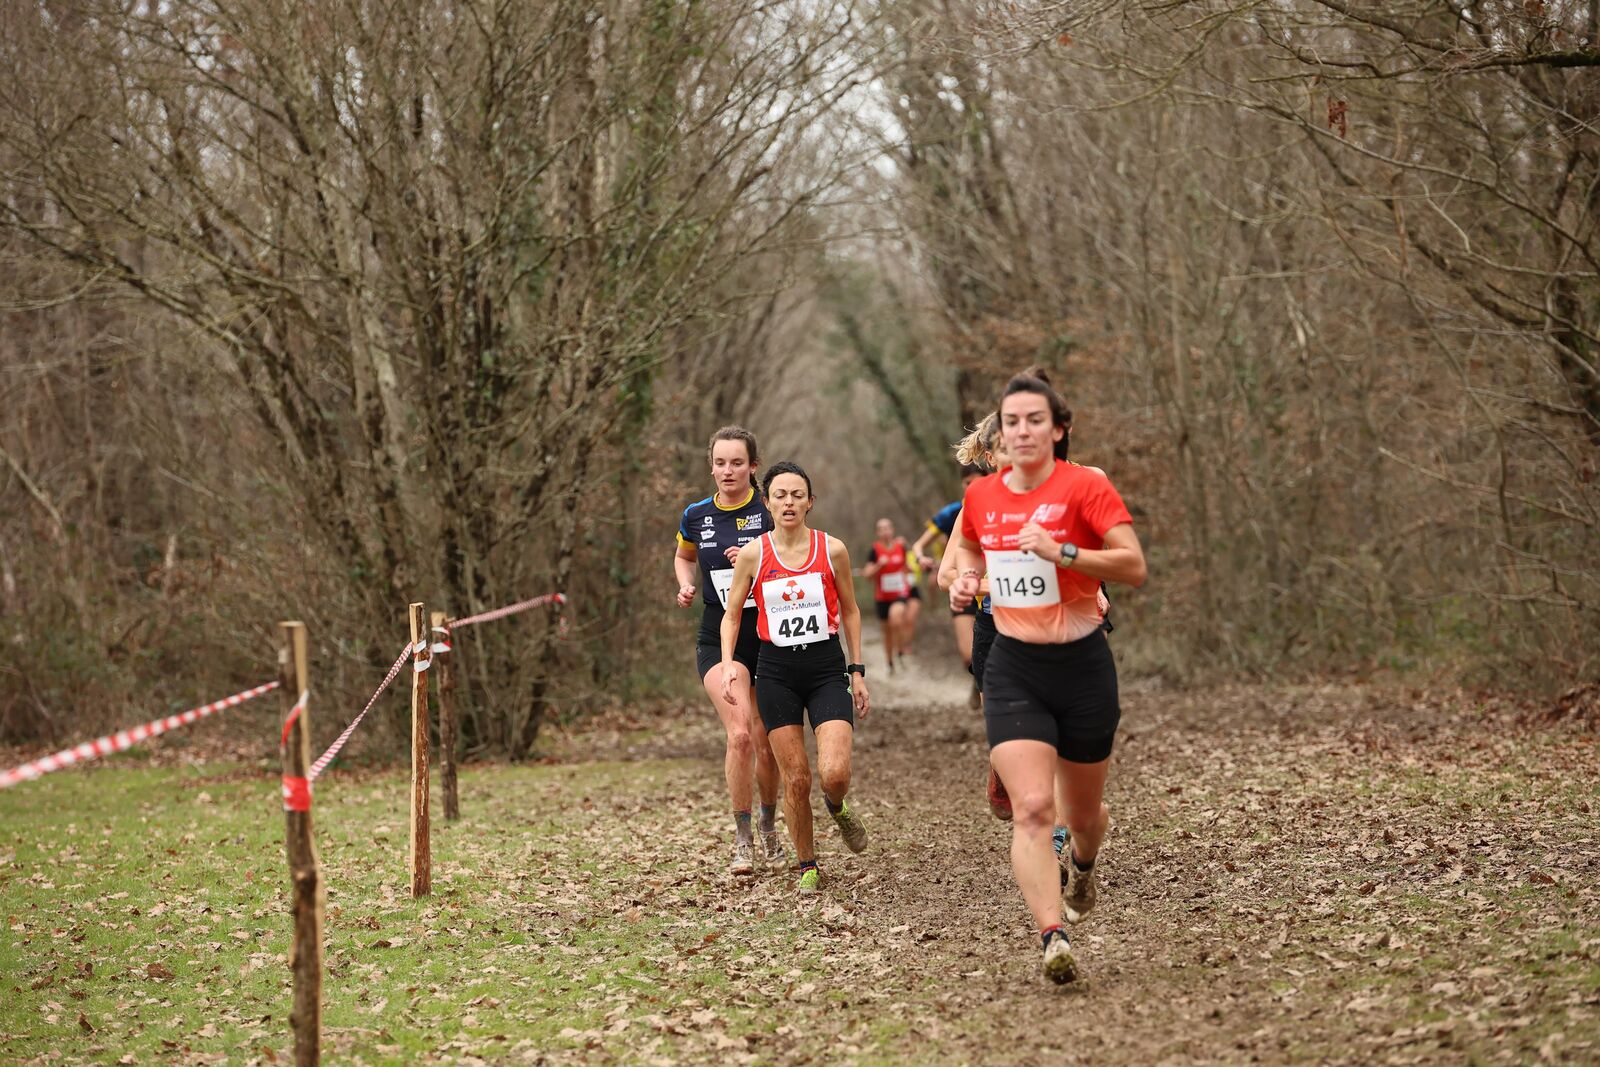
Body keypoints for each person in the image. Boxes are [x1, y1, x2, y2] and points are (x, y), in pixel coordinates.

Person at [950, 371, 1147, 984]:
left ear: (1059, 430)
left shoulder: (1087, 485)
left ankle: (1084, 865)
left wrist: (1063, 554)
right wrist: (965, 582)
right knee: (1034, 808)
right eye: (1012, 421)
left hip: (1083, 664)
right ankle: (1052, 936)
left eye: (1035, 420)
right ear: (999, 434)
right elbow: (965, 559)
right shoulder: (982, 498)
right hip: (1015, 665)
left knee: (1082, 816)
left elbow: (1132, 565)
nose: (1023, 431)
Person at [719, 461, 872, 895]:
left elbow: (851, 610)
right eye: (780, 495)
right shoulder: (754, 554)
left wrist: (857, 670)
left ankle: (837, 805)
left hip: (825, 668)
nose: (789, 502)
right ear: (766, 503)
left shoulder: (832, 549)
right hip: (776, 673)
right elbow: (732, 615)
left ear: (810, 502)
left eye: (797, 495)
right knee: (797, 777)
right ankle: (808, 864)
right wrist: (729, 663)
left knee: (834, 772)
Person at [674, 426, 785, 876]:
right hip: (719, 636)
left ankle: (769, 825)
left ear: (753, 466)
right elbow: (684, 557)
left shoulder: (770, 509)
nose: (728, 471)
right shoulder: (696, 515)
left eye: (737, 462)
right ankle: (742, 838)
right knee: (739, 735)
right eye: (720, 463)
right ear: (711, 467)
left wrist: (758, 561)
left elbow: (797, 561)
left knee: (765, 741)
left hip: (769, 635)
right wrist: (685, 584)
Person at [912, 465, 987, 706]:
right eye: (967, 483)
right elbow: (918, 545)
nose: (972, 487)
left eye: (977, 481)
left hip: (989, 588)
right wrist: (921, 557)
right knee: (967, 654)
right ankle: (978, 677)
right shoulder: (953, 512)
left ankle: (985, 679)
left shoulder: (996, 505)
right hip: (961, 585)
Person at [860, 518, 914, 673]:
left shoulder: (900, 546)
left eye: (888, 528)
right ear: (877, 532)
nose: (885, 531)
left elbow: (909, 566)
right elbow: (866, 575)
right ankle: (890, 663)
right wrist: (879, 565)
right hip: (882, 597)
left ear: (892, 529)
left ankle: (901, 650)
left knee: (896, 619)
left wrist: (910, 575)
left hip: (900, 593)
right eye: (881, 529)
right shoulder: (875, 550)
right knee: (887, 633)